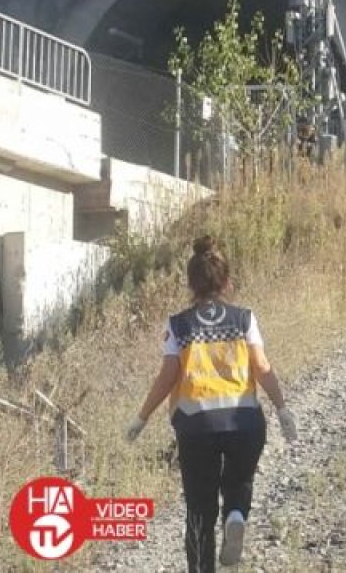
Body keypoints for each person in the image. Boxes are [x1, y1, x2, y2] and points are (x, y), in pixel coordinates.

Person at [126, 236, 298, 572]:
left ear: (191, 284)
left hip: (197, 426)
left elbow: (168, 376)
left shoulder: (179, 324)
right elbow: (262, 367)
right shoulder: (244, 318)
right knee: (239, 481)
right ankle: (236, 514)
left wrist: (141, 417)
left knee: (200, 509)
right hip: (245, 422)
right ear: (227, 281)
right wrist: (281, 409)